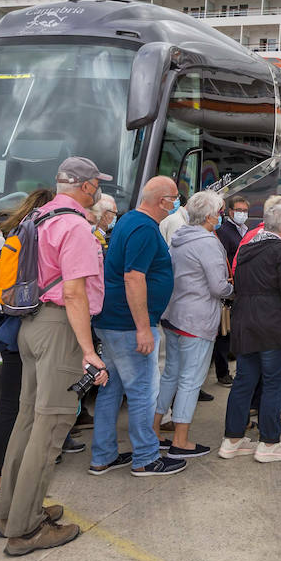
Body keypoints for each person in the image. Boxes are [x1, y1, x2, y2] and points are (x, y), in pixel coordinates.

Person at [0, 157, 110, 556]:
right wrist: (88, 351)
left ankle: (12, 511)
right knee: (51, 428)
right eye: (96, 183)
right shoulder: (75, 226)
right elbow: (75, 292)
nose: (97, 189)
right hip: (59, 326)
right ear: (85, 186)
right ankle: (25, 529)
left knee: (28, 422)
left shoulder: (40, 217)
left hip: (31, 326)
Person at [91, 176, 185, 478]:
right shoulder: (144, 228)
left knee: (111, 389)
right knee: (143, 391)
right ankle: (145, 458)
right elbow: (134, 277)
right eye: (175, 197)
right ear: (163, 201)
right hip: (128, 326)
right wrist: (144, 328)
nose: (176, 202)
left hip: (113, 322)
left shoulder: (130, 219)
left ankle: (102, 456)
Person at [0, 189, 53, 502]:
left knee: (16, 406)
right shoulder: (31, 240)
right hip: (23, 329)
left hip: (12, 330)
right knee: (14, 407)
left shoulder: (14, 238)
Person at [219, 201, 281, 463]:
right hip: (274, 327)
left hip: (245, 323)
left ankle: (232, 439)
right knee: (273, 384)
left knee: (244, 382)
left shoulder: (246, 248)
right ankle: (269, 442)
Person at [156, 190, 232, 458]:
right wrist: (233, 289)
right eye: (220, 212)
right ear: (210, 216)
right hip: (197, 320)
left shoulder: (179, 238)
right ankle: (180, 440)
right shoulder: (208, 243)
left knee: (171, 376)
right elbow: (218, 286)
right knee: (191, 380)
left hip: (173, 315)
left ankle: (154, 433)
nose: (221, 216)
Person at [211, 194, 251, 385]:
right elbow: (222, 257)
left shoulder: (244, 229)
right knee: (224, 332)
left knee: (233, 329)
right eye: (239, 210)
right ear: (230, 212)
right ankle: (222, 372)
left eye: (245, 210)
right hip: (228, 286)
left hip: (240, 286)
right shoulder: (225, 231)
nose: (242, 213)